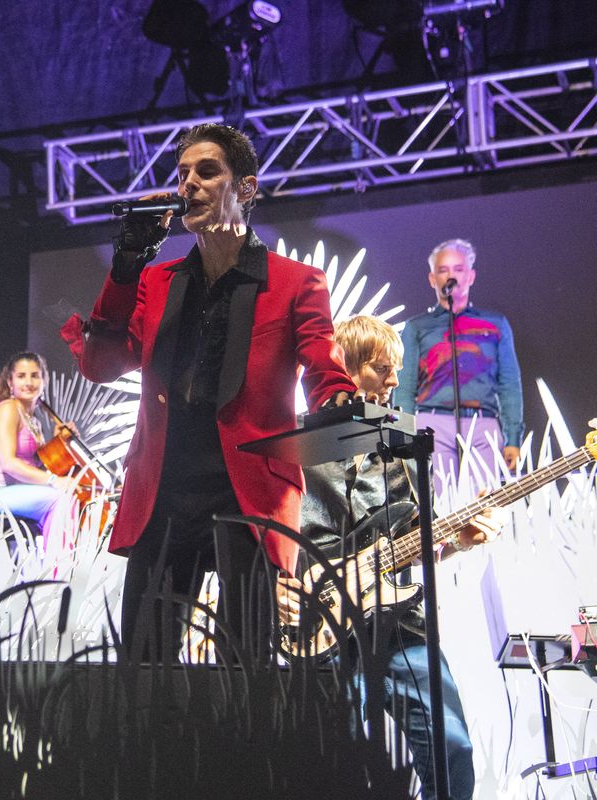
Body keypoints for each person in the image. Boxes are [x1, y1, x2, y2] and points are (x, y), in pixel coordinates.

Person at [60, 123, 358, 662]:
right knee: (144, 668)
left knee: (245, 671)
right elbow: (101, 365)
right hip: (165, 494)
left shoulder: (296, 282)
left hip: (247, 495)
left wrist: (336, 398)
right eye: (182, 175)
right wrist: (126, 268)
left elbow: (322, 363)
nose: (189, 184)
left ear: (245, 189)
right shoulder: (157, 281)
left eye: (207, 171)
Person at [278, 314, 507, 800]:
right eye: (382, 368)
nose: (394, 380)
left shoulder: (401, 450)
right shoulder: (290, 445)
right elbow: (264, 532)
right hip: (319, 628)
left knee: (454, 751)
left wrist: (459, 540)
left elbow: (418, 537)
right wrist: (277, 584)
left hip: (402, 628)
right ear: (344, 367)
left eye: (396, 369)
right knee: (328, 762)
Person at [394, 238, 524, 489]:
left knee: (485, 505)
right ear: (433, 279)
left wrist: (513, 439)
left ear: (471, 276)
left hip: (483, 423)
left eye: (458, 269)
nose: (450, 276)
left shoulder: (495, 323)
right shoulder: (417, 326)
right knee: (438, 506)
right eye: (443, 270)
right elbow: (405, 384)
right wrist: (403, 434)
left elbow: (509, 384)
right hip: (433, 423)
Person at [0, 351, 75, 547]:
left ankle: (54, 562)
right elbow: (9, 464)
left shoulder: (33, 421)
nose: (29, 382)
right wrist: (54, 481)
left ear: (44, 381)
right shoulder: (8, 408)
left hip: (14, 493)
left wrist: (59, 442)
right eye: (21, 376)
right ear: (10, 383)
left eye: (35, 376)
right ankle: (56, 570)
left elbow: (35, 467)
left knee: (66, 498)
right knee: (58, 500)